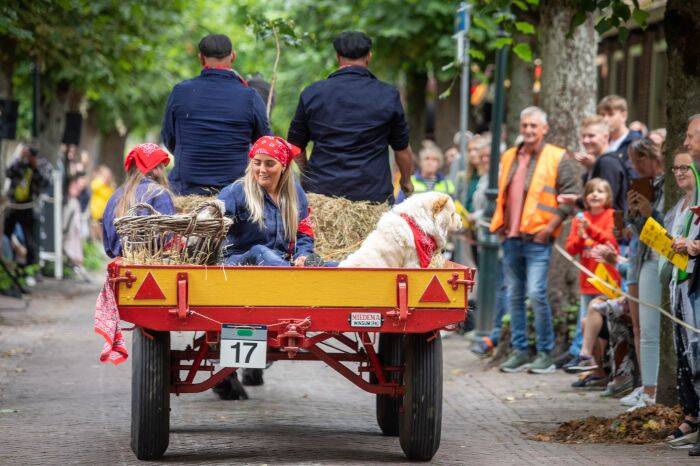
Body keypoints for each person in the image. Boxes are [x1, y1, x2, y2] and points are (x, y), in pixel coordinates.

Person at [490, 106, 579, 374]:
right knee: (515, 295)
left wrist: (548, 228)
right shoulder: (509, 156)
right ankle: (519, 351)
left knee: (535, 293)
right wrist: (503, 226)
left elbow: (571, 197)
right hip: (511, 238)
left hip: (538, 238)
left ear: (544, 129)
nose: (528, 130)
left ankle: (544, 352)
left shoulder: (558, 157)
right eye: (525, 125)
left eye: (534, 126)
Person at [287, 31, 414, 204]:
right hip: (373, 198)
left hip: (322, 196)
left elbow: (295, 145)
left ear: (338, 56)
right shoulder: (387, 95)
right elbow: (402, 149)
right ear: (369, 56)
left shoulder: (312, 93)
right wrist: (406, 181)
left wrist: (307, 173)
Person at [161, 34, 271, 195]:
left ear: (201, 58)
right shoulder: (250, 97)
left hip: (185, 190)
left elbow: (169, 138)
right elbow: (265, 144)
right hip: (236, 192)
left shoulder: (180, 92)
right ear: (233, 56)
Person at [218, 135, 315, 267]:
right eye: (257, 163)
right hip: (238, 263)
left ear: (283, 167)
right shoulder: (234, 192)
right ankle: (295, 276)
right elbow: (211, 224)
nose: (262, 170)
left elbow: (304, 233)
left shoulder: (296, 193)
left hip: (280, 262)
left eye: (269, 164)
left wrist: (303, 256)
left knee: (326, 264)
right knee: (259, 252)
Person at [623, 137, 665, 411]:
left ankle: (652, 389)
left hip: (658, 259)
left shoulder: (665, 187)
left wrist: (651, 215)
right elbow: (644, 231)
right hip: (641, 257)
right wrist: (635, 215)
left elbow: (665, 234)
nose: (635, 165)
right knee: (642, 327)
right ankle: (647, 386)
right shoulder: (647, 186)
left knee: (651, 328)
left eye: (639, 159)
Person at [561, 178, 620, 373]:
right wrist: (580, 234)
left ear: (608, 197)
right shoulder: (580, 217)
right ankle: (596, 369)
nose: (595, 194)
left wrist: (589, 229)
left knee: (603, 327)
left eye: (600, 191)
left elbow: (610, 240)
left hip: (607, 281)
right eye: (591, 191)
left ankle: (600, 365)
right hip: (586, 281)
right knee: (587, 325)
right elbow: (571, 247)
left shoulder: (611, 215)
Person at [663, 151, 700, 449]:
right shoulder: (678, 206)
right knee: (683, 351)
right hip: (677, 282)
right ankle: (690, 414)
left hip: (693, 284)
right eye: (675, 168)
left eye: (685, 167)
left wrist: (691, 245)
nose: (679, 172)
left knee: (695, 348)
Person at [101, 144, 175, 258]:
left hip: (121, 263)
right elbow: (169, 237)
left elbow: (107, 243)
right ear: (156, 169)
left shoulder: (115, 196)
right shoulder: (160, 194)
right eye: (161, 165)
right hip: (154, 263)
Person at [3, 144, 50, 284]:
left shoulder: (43, 164)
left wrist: (34, 167)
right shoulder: (20, 162)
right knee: (6, 235)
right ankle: (9, 267)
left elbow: (45, 183)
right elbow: (9, 173)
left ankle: (32, 271)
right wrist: (20, 159)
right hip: (14, 205)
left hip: (30, 208)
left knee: (31, 241)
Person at [573, 115, 628, 211]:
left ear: (605, 137)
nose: (585, 140)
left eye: (591, 136)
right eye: (583, 136)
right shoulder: (599, 162)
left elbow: (605, 203)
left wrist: (576, 200)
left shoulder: (608, 163)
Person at [597, 95, 643, 178]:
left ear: (624, 115)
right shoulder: (600, 141)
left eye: (611, 114)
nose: (605, 119)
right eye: (602, 115)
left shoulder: (636, 141)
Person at [89, 165, 115, 242]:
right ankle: (96, 243)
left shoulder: (109, 187)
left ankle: (102, 244)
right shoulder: (97, 184)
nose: (106, 178)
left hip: (106, 214)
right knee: (95, 228)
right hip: (96, 213)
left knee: (104, 233)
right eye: (105, 176)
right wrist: (101, 181)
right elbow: (93, 186)